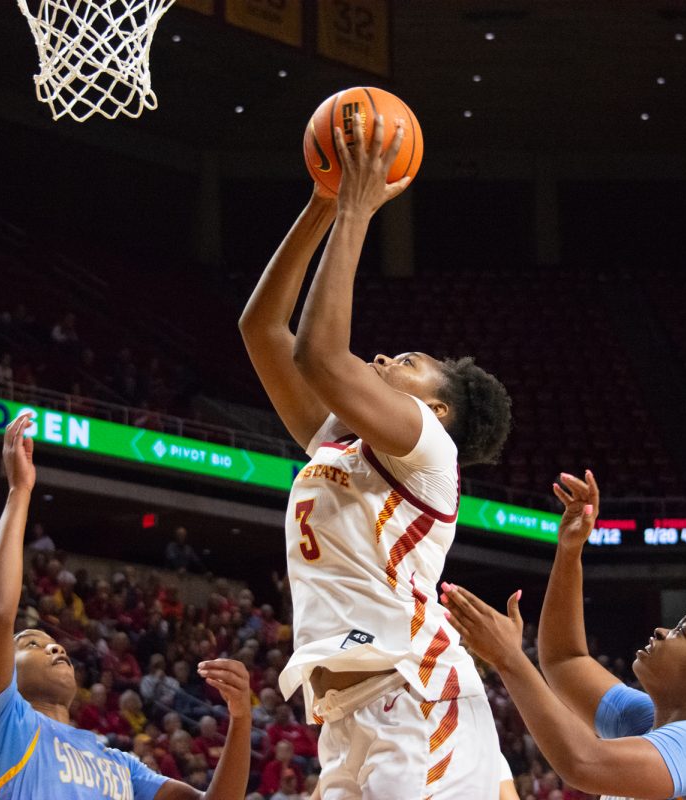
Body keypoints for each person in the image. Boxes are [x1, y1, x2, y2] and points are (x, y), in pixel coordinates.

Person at [239, 115, 512, 799]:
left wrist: (358, 210)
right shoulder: (340, 439)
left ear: (439, 409)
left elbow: (320, 356)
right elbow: (263, 328)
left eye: (411, 362)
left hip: (417, 694)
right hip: (350, 715)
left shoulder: (428, 446)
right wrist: (321, 206)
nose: (388, 357)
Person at [444, 470, 686, 800]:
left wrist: (509, 659)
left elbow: (582, 761)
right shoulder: (646, 720)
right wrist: (569, 551)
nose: (663, 630)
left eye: (682, 632)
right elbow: (565, 660)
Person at [0, 414, 252, 798]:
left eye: (55, 644)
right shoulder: (2, 726)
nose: (55, 646)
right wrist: (19, 490)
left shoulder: (117, 763)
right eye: (31, 644)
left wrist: (240, 716)